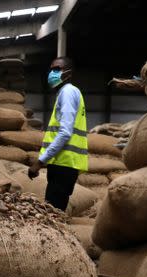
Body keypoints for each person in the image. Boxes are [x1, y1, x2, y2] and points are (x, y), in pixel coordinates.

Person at [28, 57, 89, 211]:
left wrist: (40, 161)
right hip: (64, 163)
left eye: (57, 69)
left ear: (68, 73)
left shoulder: (67, 92)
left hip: (64, 163)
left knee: (53, 212)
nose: (52, 73)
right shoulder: (69, 92)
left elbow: (64, 132)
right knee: (55, 209)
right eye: (51, 69)